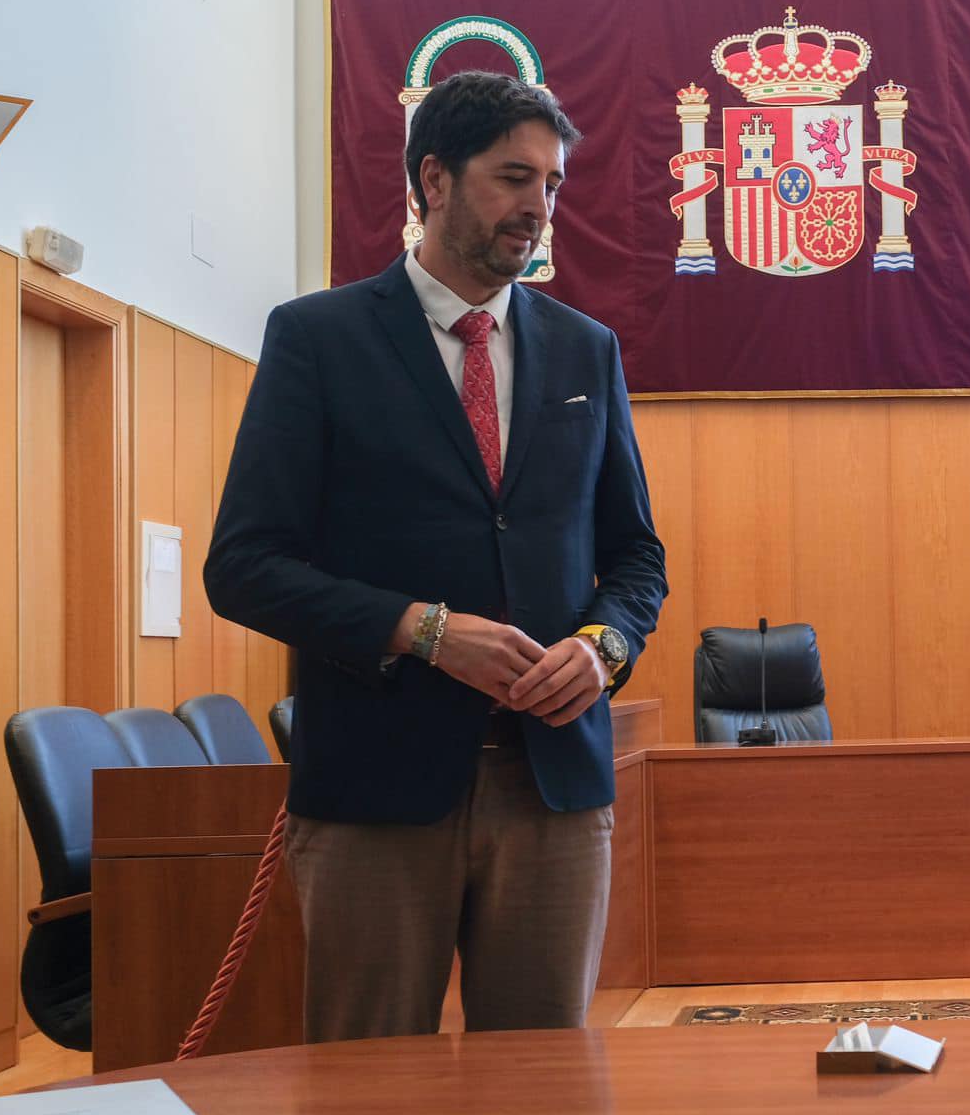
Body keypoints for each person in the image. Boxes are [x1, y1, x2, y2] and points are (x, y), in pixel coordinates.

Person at [206, 70, 667, 1043]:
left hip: (553, 788)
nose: (536, 208)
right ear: (434, 179)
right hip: (375, 786)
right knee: (366, 1112)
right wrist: (422, 631)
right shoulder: (317, 339)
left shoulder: (588, 352)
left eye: (551, 185)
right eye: (512, 178)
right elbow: (244, 563)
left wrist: (600, 649)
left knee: (542, 1112)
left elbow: (635, 559)